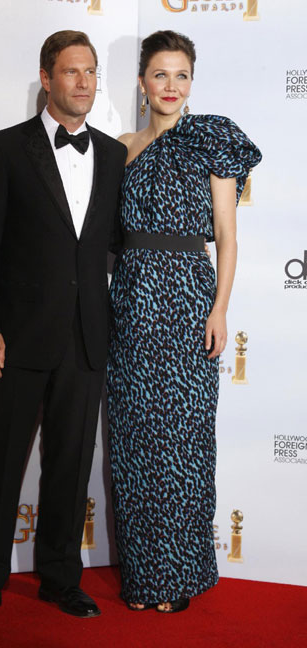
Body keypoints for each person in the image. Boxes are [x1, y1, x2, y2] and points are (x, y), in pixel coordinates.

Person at [0, 30, 126, 626]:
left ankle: (59, 577)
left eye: (92, 72)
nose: (84, 82)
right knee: (1, 466)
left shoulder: (114, 154)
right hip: (16, 339)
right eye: (72, 72)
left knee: (71, 466)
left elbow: (113, 245)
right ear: (47, 79)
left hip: (85, 338)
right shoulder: (2, 151)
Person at [107, 30, 262, 613]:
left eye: (181, 75)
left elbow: (226, 235)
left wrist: (219, 308)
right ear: (142, 82)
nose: (170, 86)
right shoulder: (121, 146)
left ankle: (179, 576)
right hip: (130, 301)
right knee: (133, 443)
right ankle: (145, 579)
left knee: (184, 443)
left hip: (187, 301)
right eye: (160, 75)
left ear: (191, 81)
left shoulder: (211, 140)